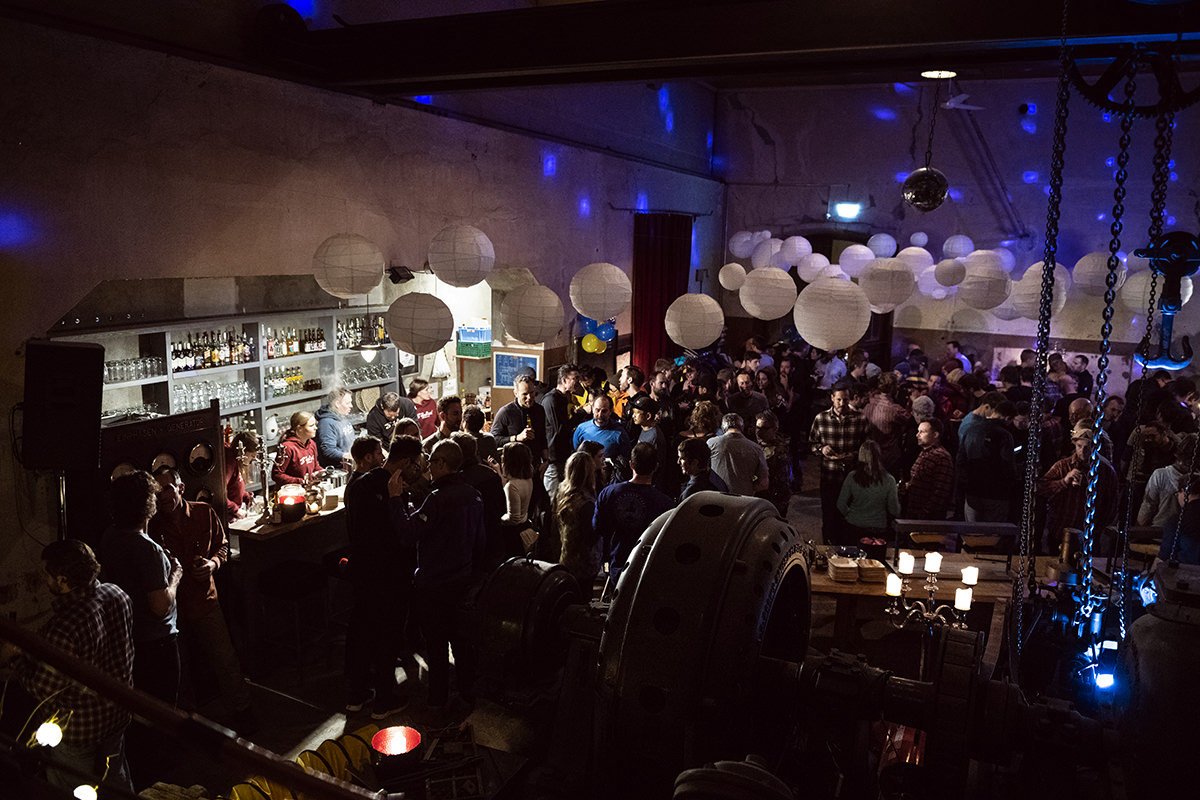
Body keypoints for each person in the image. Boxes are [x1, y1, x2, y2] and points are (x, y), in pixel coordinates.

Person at [1, 540, 136, 795]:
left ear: (63, 580)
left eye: (47, 575)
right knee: (115, 781)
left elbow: (44, 689)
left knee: (71, 788)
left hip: (79, 731)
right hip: (118, 714)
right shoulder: (117, 594)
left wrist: (13, 659)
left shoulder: (65, 626)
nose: (45, 580)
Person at [148, 466, 253, 731]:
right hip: (172, 608)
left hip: (204, 600)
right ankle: (186, 723)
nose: (162, 496)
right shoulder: (152, 526)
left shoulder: (203, 512)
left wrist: (213, 564)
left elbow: (223, 546)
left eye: (167, 489)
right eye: (157, 492)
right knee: (180, 669)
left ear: (180, 488)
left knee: (224, 658)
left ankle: (243, 710)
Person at [388, 439, 486, 709]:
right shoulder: (474, 495)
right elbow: (480, 543)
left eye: (431, 461)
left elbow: (408, 535)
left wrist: (395, 501)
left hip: (434, 585)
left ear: (442, 463)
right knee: (462, 643)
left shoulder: (437, 499)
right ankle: (467, 693)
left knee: (436, 645)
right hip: (463, 582)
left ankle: (437, 701)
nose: (427, 467)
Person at [343, 434, 420, 719]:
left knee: (363, 633)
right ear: (405, 462)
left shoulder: (358, 484)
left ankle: (357, 695)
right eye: (416, 464)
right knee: (388, 636)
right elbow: (401, 535)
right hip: (390, 576)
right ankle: (384, 700)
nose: (418, 469)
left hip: (363, 573)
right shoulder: (393, 489)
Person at [101, 470, 182, 707]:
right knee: (162, 712)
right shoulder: (148, 549)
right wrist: (175, 575)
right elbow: (160, 607)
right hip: (156, 645)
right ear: (148, 504)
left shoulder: (110, 536)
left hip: (127, 639)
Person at [594, 442, 674, 578]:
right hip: (647, 571)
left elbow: (597, 527)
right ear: (656, 467)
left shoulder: (608, 493)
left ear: (631, 464)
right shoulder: (665, 504)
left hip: (614, 566)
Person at [1038, 424, 1119, 554]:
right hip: (1060, 530)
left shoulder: (1106, 472)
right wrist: (1064, 481)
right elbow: (1041, 488)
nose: (1082, 451)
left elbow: (1111, 503)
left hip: (1089, 534)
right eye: (1079, 446)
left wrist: (1099, 527)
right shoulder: (1062, 466)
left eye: (1087, 447)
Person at [810, 386, 870, 544]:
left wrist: (854, 456)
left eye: (845, 399)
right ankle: (828, 548)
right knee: (829, 514)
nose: (842, 403)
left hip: (852, 477)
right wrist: (822, 449)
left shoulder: (860, 419)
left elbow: (867, 447)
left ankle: (847, 548)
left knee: (849, 516)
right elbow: (812, 444)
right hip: (829, 475)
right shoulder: (821, 419)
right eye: (838, 399)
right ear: (832, 398)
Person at [452, 431, 507, 569]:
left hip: (471, 549)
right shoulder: (491, 474)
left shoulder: (458, 481)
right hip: (494, 541)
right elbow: (502, 507)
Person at [556, 451, 602, 593]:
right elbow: (589, 538)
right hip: (585, 562)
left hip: (566, 554)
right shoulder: (586, 503)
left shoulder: (562, 493)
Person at [837, 440, 900, 544]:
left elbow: (840, 504)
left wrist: (851, 515)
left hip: (854, 525)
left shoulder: (852, 477)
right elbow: (894, 510)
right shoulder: (889, 480)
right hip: (878, 527)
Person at [542, 363, 584, 498]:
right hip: (554, 459)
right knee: (553, 498)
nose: (578, 382)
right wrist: (581, 414)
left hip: (563, 456)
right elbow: (560, 430)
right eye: (575, 378)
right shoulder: (551, 399)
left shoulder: (563, 398)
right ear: (564, 380)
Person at [491, 374, 548, 466]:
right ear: (516, 393)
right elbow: (494, 440)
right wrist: (517, 438)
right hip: (514, 466)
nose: (529, 397)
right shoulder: (506, 412)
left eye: (532, 392)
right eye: (525, 394)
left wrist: (545, 461)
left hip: (535, 465)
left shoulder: (539, 410)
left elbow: (542, 437)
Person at [902, 419, 953, 520]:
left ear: (935, 435)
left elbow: (940, 492)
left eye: (922, 432)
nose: (917, 435)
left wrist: (925, 514)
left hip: (927, 519)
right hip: (914, 512)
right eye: (918, 431)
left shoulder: (942, 457)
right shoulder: (924, 453)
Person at [709, 413, 769, 497]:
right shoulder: (756, 449)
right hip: (744, 499)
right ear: (742, 427)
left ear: (723, 428)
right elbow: (763, 483)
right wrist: (747, 488)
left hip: (717, 498)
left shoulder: (711, 443)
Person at [630, 394, 675, 496]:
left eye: (637, 413)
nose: (633, 416)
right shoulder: (644, 429)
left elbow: (659, 467)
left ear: (648, 416)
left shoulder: (655, 436)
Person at [1155, 474, 1200, 568]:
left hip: (1187, 572)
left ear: (1184, 491)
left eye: (1177, 494)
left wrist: (1150, 574)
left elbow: (1163, 558)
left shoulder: (1178, 520)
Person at [499, 441, 536, 556]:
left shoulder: (512, 486)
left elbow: (514, 518)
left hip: (513, 535)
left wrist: (498, 520)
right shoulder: (528, 479)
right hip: (525, 525)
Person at [271, 411, 322, 489]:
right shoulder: (287, 447)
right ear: (299, 428)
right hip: (291, 491)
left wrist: (324, 472)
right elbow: (277, 475)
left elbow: (315, 466)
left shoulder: (311, 443)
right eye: (311, 425)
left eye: (315, 424)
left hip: (307, 488)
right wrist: (301, 481)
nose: (316, 428)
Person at [572, 393, 631, 460]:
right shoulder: (581, 429)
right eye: (597, 410)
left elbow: (627, 457)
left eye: (604, 411)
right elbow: (576, 455)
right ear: (592, 409)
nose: (600, 415)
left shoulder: (620, 432)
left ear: (610, 411)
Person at [754, 410, 792, 515]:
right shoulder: (756, 446)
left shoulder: (780, 451)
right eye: (757, 428)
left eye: (764, 428)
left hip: (773, 501)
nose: (759, 432)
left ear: (775, 429)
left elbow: (783, 483)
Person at [316, 386, 356, 469]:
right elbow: (328, 450)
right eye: (347, 403)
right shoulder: (326, 423)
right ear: (337, 404)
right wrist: (348, 456)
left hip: (350, 463)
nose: (351, 406)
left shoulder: (342, 416)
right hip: (339, 468)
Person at [224, 430, 259, 522]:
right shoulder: (229, 463)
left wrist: (247, 497)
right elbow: (219, 494)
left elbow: (233, 486)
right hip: (226, 518)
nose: (252, 460)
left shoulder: (235, 461)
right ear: (244, 452)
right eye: (252, 456)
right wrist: (235, 510)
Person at [726, 370, 770, 441]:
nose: (745, 386)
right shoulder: (731, 400)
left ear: (751, 383)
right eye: (742, 383)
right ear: (737, 384)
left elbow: (767, 418)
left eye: (747, 383)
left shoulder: (761, 399)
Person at [617, 364, 649, 436]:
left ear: (630, 380)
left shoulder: (643, 403)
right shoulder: (629, 401)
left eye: (622, 376)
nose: (619, 379)